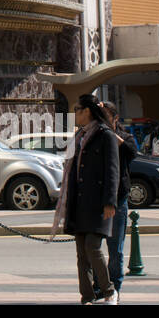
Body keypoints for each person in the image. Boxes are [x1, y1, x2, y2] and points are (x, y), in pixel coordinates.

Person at [53, 94, 119, 305]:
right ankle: (87, 297)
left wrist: (110, 201)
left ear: (87, 111)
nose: (75, 115)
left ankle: (109, 291)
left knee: (93, 246)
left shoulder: (105, 135)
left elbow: (112, 170)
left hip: (98, 202)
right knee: (82, 253)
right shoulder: (79, 136)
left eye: (77, 110)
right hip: (79, 202)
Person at [100, 102, 135, 300]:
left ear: (115, 118)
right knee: (94, 249)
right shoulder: (94, 137)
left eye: (106, 116)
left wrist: (110, 134)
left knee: (116, 249)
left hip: (118, 199)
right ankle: (99, 285)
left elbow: (132, 153)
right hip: (96, 199)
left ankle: (114, 288)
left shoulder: (125, 138)